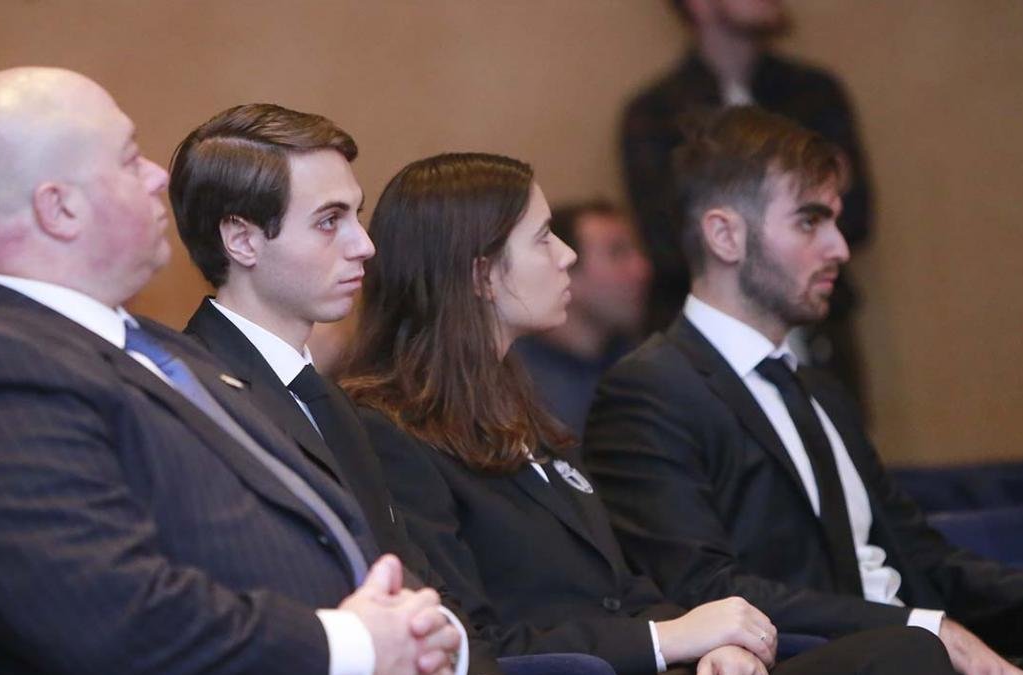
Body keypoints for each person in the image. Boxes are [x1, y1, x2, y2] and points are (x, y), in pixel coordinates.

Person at [0, 67, 460, 675]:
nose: (158, 177)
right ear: (59, 209)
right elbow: (108, 617)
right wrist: (353, 645)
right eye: (129, 160)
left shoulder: (149, 345)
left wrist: (417, 629)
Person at [338, 152, 954, 674]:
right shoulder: (389, 432)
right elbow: (466, 644)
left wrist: (710, 644)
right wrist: (667, 641)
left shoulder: (514, 411)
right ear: (481, 275)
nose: (567, 257)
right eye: (544, 237)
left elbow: (623, 588)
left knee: (904, 651)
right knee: (904, 656)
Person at [585, 106, 1023, 674]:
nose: (840, 248)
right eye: (810, 222)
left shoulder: (819, 390)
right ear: (726, 234)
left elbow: (925, 560)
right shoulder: (650, 390)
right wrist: (920, 629)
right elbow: (707, 587)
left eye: (835, 220)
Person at [170, 103, 499, 672]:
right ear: (243, 241)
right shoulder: (195, 396)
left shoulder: (327, 398)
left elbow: (407, 567)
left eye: (357, 215)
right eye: (329, 221)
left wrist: (446, 637)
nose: (364, 245)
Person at [622, 0, 871, 405]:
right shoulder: (655, 113)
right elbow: (665, 244)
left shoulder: (815, 94)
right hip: (706, 356)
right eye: (808, 220)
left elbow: (857, 218)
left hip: (821, 338)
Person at [511, 200, 651, 436]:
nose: (642, 268)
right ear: (564, 269)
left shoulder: (642, 361)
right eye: (618, 253)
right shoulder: (519, 388)